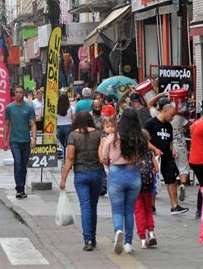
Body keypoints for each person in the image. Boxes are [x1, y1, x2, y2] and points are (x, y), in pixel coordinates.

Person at [102, 108, 147, 254]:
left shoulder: (113, 138)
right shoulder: (140, 138)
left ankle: (118, 231)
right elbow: (141, 158)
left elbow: (104, 157)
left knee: (117, 209)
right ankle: (128, 243)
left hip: (116, 174)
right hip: (133, 174)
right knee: (129, 211)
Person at [60, 111, 103, 251]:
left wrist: (63, 178)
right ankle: (94, 236)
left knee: (85, 206)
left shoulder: (73, 135)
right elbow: (102, 154)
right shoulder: (98, 133)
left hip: (81, 175)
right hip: (96, 173)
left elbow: (70, 159)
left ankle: (88, 239)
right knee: (93, 206)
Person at [144, 98, 188, 215]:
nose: (172, 118)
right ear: (164, 111)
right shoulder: (150, 123)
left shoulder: (168, 126)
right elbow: (144, 140)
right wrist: (154, 149)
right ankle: (151, 206)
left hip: (167, 156)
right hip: (154, 156)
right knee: (154, 181)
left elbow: (169, 141)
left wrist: (172, 149)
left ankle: (174, 206)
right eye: (171, 115)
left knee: (171, 180)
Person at [3, 86, 36, 199]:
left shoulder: (29, 107)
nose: (18, 94)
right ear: (14, 93)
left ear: (24, 93)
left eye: (20, 92)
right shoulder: (9, 108)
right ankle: (19, 188)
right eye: (16, 92)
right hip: (14, 141)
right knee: (17, 163)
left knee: (23, 165)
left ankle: (22, 188)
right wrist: (5, 140)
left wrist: (34, 139)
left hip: (26, 141)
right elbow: (7, 124)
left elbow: (33, 124)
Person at [134, 130, 160, 249]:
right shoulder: (149, 153)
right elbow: (157, 168)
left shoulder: (134, 153)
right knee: (148, 210)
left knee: (139, 212)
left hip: (136, 188)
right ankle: (151, 232)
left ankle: (143, 239)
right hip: (149, 187)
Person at [189, 101, 203, 219]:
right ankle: (201, 210)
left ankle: (201, 210)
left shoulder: (195, 123)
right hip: (202, 160)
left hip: (193, 159)